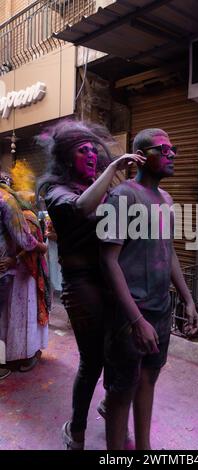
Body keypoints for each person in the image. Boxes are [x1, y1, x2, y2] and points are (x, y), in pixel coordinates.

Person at [37, 119, 145, 450]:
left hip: (112, 278)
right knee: (93, 359)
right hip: (81, 283)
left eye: (93, 151)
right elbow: (83, 208)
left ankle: (112, 407)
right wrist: (114, 167)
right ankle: (78, 429)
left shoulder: (106, 191)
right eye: (82, 152)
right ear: (68, 159)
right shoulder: (56, 191)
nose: (90, 156)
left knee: (120, 352)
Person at [101, 128, 198, 450]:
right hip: (130, 313)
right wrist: (135, 320)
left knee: (148, 380)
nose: (172, 155)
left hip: (160, 308)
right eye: (164, 149)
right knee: (121, 392)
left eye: (174, 149)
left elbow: (167, 251)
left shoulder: (167, 200)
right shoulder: (122, 196)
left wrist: (187, 299)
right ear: (142, 156)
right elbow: (109, 260)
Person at [0, 170, 47, 379]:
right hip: (9, 270)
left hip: (16, 272)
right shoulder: (7, 201)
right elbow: (25, 241)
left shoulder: (22, 211)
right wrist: (42, 247)